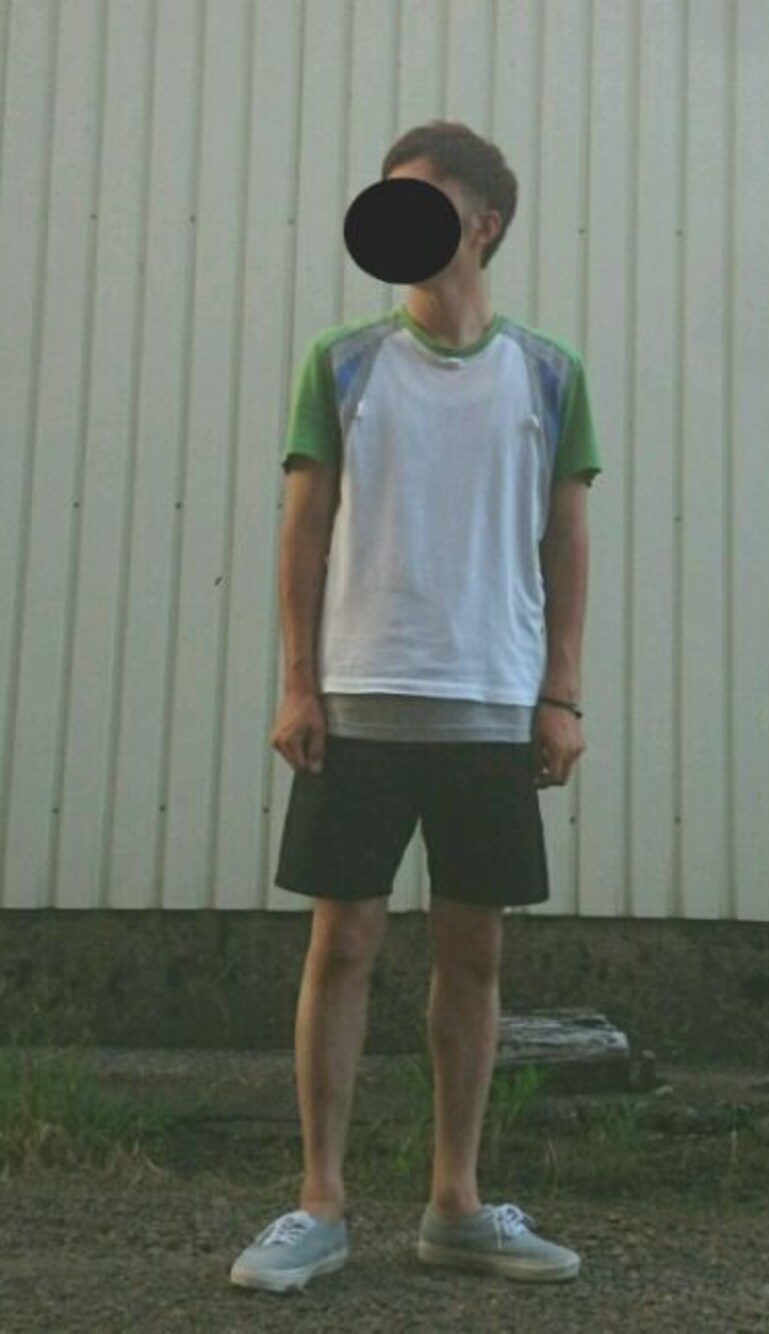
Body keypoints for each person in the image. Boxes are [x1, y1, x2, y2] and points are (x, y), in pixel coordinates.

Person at [230, 121, 602, 1295]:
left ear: (480, 223)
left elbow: (566, 539)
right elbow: (303, 527)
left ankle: (455, 1202)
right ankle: (318, 1201)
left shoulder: (547, 371)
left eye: (418, 198)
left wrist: (560, 692)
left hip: (490, 704)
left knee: (472, 952)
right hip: (359, 700)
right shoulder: (343, 362)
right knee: (341, 941)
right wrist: (298, 681)